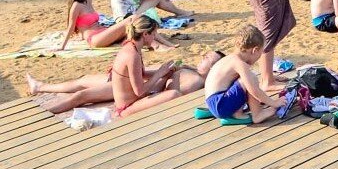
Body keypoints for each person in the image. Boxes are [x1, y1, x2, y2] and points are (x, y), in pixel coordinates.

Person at [27, 50, 220, 115]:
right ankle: (41, 87)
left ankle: (45, 113)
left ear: (213, 68)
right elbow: (155, 75)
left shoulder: (195, 80)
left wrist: (164, 75)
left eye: (207, 58)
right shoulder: (191, 70)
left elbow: (168, 93)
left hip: (141, 92)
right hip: (138, 84)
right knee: (84, 81)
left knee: (82, 94)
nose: (202, 56)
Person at [203, 24, 287, 123]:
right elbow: (253, 89)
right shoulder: (240, 64)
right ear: (255, 50)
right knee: (250, 79)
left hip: (215, 103)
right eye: (260, 53)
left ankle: (238, 111)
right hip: (220, 105)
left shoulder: (230, 59)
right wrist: (274, 103)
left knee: (247, 79)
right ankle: (257, 114)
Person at [60, 0, 170, 51]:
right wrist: (62, 47)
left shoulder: (87, 1)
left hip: (103, 31)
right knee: (132, 19)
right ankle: (159, 44)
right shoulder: (76, 6)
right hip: (94, 38)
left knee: (134, 27)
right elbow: (71, 27)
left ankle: (158, 42)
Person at [110, 16, 177, 118]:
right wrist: (159, 73)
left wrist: (164, 71)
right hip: (126, 108)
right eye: (153, 34)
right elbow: (139, 91)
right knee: (174, 94)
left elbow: (142, 75)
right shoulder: (132, 55)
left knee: (165, 79)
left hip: (131, 101)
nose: (154, 38)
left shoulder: (131, 46)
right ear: (145, 34)